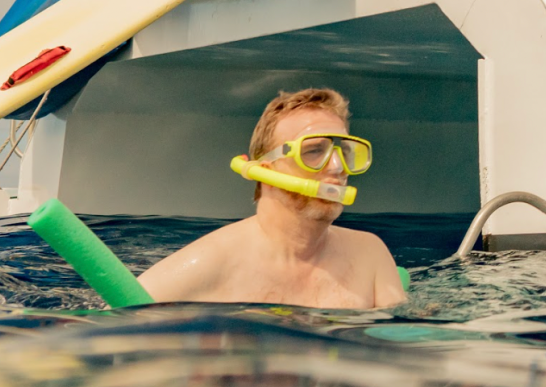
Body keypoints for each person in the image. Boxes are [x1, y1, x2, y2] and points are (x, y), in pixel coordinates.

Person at [137, 88, 405, 309]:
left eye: (345, 153)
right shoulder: (209, 263)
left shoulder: (369, 254)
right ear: (266, 171)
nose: (337, 167)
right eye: (313, 151)